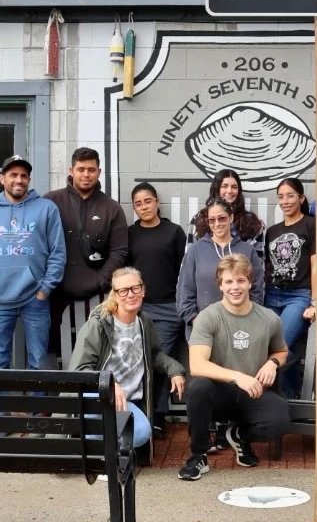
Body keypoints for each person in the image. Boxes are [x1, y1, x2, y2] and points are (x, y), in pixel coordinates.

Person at [178, 254, 290, 481]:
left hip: (253, 392)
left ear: (250, 282)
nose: (235, 287)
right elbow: (197, 365)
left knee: (279, 421)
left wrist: (272, 362)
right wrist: (238, 377)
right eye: (228, 282)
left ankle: (237, 434)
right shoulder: (208, 318)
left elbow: (282, 350)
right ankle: (198, 454)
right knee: (198, 388)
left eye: (240, 281)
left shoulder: (269, 318)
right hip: (218, 393)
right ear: (220, 286)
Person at [69, 267, 186, 448]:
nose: (130, 294)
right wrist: (108, 385)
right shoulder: (98, 324)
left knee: (141, 434)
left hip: (127, 401)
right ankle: (102, 455)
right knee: (96, 431)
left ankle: (104, 449)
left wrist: (174, 369)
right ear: (114, 295)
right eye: (123, 290)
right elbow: (80, 369)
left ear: (143, 290)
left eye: (135, 288)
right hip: (97, 397)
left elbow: (154, 354)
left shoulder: (144, 321)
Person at [0, 155, 66, 371]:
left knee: (39, 360)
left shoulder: (47, 208)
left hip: (36, 298)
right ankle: (1, 405)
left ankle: (37, 405)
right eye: (13, 175)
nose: (19, 180)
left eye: (24, 176)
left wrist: (45, 290)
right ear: (2, 179)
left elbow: (58, 253)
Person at [45, 147, 128, 357]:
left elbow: (119, 251)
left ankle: (93, 391)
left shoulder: (112, 208)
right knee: (53, 350)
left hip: (97, 296)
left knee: (96, 351)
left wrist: (100, 280)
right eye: (81, 169)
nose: (86, 174)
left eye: (91, 170)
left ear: (99, 171)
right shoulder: (50, 202)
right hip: (55, 293)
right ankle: (56, 390)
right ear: (71, 170)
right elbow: (38, 246)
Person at [127, 182, 186, 437]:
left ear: (157, 202)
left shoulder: (174, 232)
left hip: (168, 307)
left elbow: (183, 272)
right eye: (138, 204)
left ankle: (158, 416)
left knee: (158, 360)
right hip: (138, 308)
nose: (144, 207)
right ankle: (140, 412)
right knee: (137, 360)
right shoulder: (129, 234)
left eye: (147, 201)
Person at [177, 198, 265, 334]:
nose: (217, 224)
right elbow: (184, 292)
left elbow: (257, 290)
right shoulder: (195, 251)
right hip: (203, 330)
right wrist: (197, 321)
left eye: (222, 218)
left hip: (240, 330)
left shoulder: (248, 250)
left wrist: (246, 320)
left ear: (231, 218)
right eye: (212, 220)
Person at [264, 178, 317, 353]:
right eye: (281, 197)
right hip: (272, 295)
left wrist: (315, 303)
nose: (285, 201)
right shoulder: (272, 231)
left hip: (299, 295)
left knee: (279, 346)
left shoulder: (312, 224)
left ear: (301, 198)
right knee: (266, 347)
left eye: (290, 196)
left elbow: (316, 265)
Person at [187, 168, 265, 256]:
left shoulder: (252, 223)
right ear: (216, 189)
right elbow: (189, 256)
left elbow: (259, 261)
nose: (229, 191)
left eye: (234, 187)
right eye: (224, 186)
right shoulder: (199, 219)